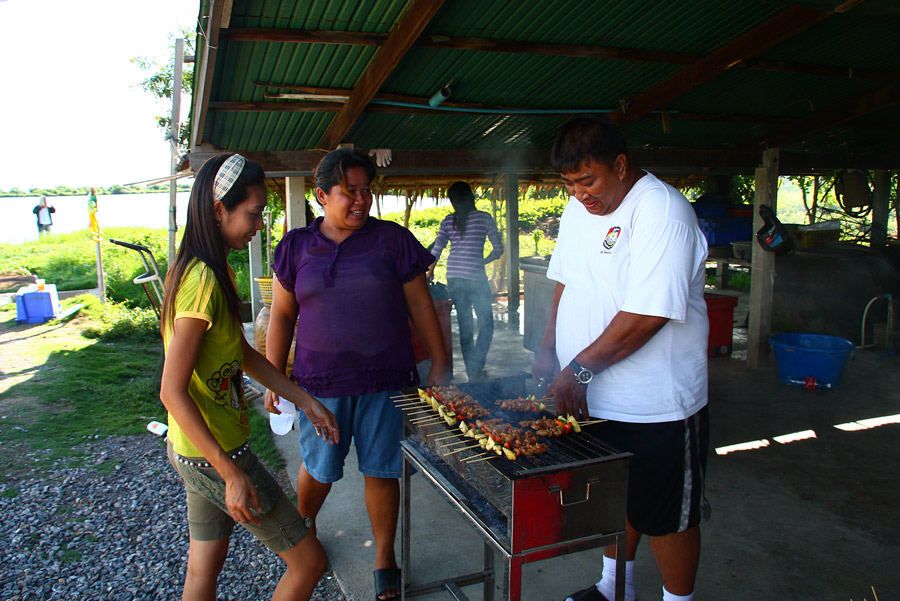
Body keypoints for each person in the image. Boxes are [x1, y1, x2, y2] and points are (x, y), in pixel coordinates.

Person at [532, 116, 709, 601]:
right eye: (569, 184)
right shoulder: (577, 212)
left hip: (657, 403)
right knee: (613, 498)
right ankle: (615, 590)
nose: (579, 195)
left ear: (621, 164)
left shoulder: (662, 210)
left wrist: (581, 368)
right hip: (593, 397)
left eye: (588, 180)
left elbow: (650, 313)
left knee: (667, 515)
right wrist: (550, 347)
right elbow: (566, 281)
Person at [264, 149, 451, 601]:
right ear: (321, 195)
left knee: (382, 470)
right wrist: (273, 378)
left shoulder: (392, 240)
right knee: (319, 468)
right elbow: (282, 316)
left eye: (367, 190)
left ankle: (384, 558)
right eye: (350, 191)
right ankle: (300, 541)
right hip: (319, 387)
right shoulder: (296, 247)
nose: (361, 200)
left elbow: (421, 304)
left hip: (386, 381)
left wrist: (442, 364)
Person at [159, 153, 341, 601]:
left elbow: (238, 352)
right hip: (215, 454)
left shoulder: (208, 268)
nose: (260, 223)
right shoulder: (202, 280)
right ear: (219, 209)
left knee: (204, 569)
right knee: (310, 561)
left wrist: (304, 399)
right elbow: (170, 390)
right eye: (254, 213)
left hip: (192, 448)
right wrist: (231, 473)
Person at [427, 181, 504, 381]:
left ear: (453, 201)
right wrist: (482, 261)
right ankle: (476, 367)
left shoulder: (448, 221)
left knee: (465, 325)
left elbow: (437, 248)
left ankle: (472, 371)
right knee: (487, 324)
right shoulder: (484, 219)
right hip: (476, 278)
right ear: (470, 197)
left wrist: (430, 271)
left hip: (454, 277)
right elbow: (498, 249)